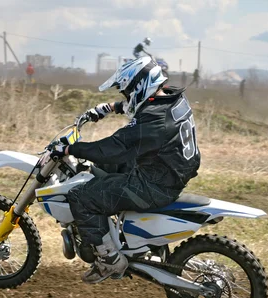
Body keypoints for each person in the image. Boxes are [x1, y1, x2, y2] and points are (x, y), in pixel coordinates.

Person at [51, 56, 201, 284]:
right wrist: (111, 107)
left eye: (127, 92)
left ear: (140, 86)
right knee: (101, 171)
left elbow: (112, 148)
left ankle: (109, 260)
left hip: (154, 184)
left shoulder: (152, 121)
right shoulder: (173, 99)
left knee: (81, 196)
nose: (126, 97)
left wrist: (70, 149)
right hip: (168, 169)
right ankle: (119, 237)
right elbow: (144, 106)